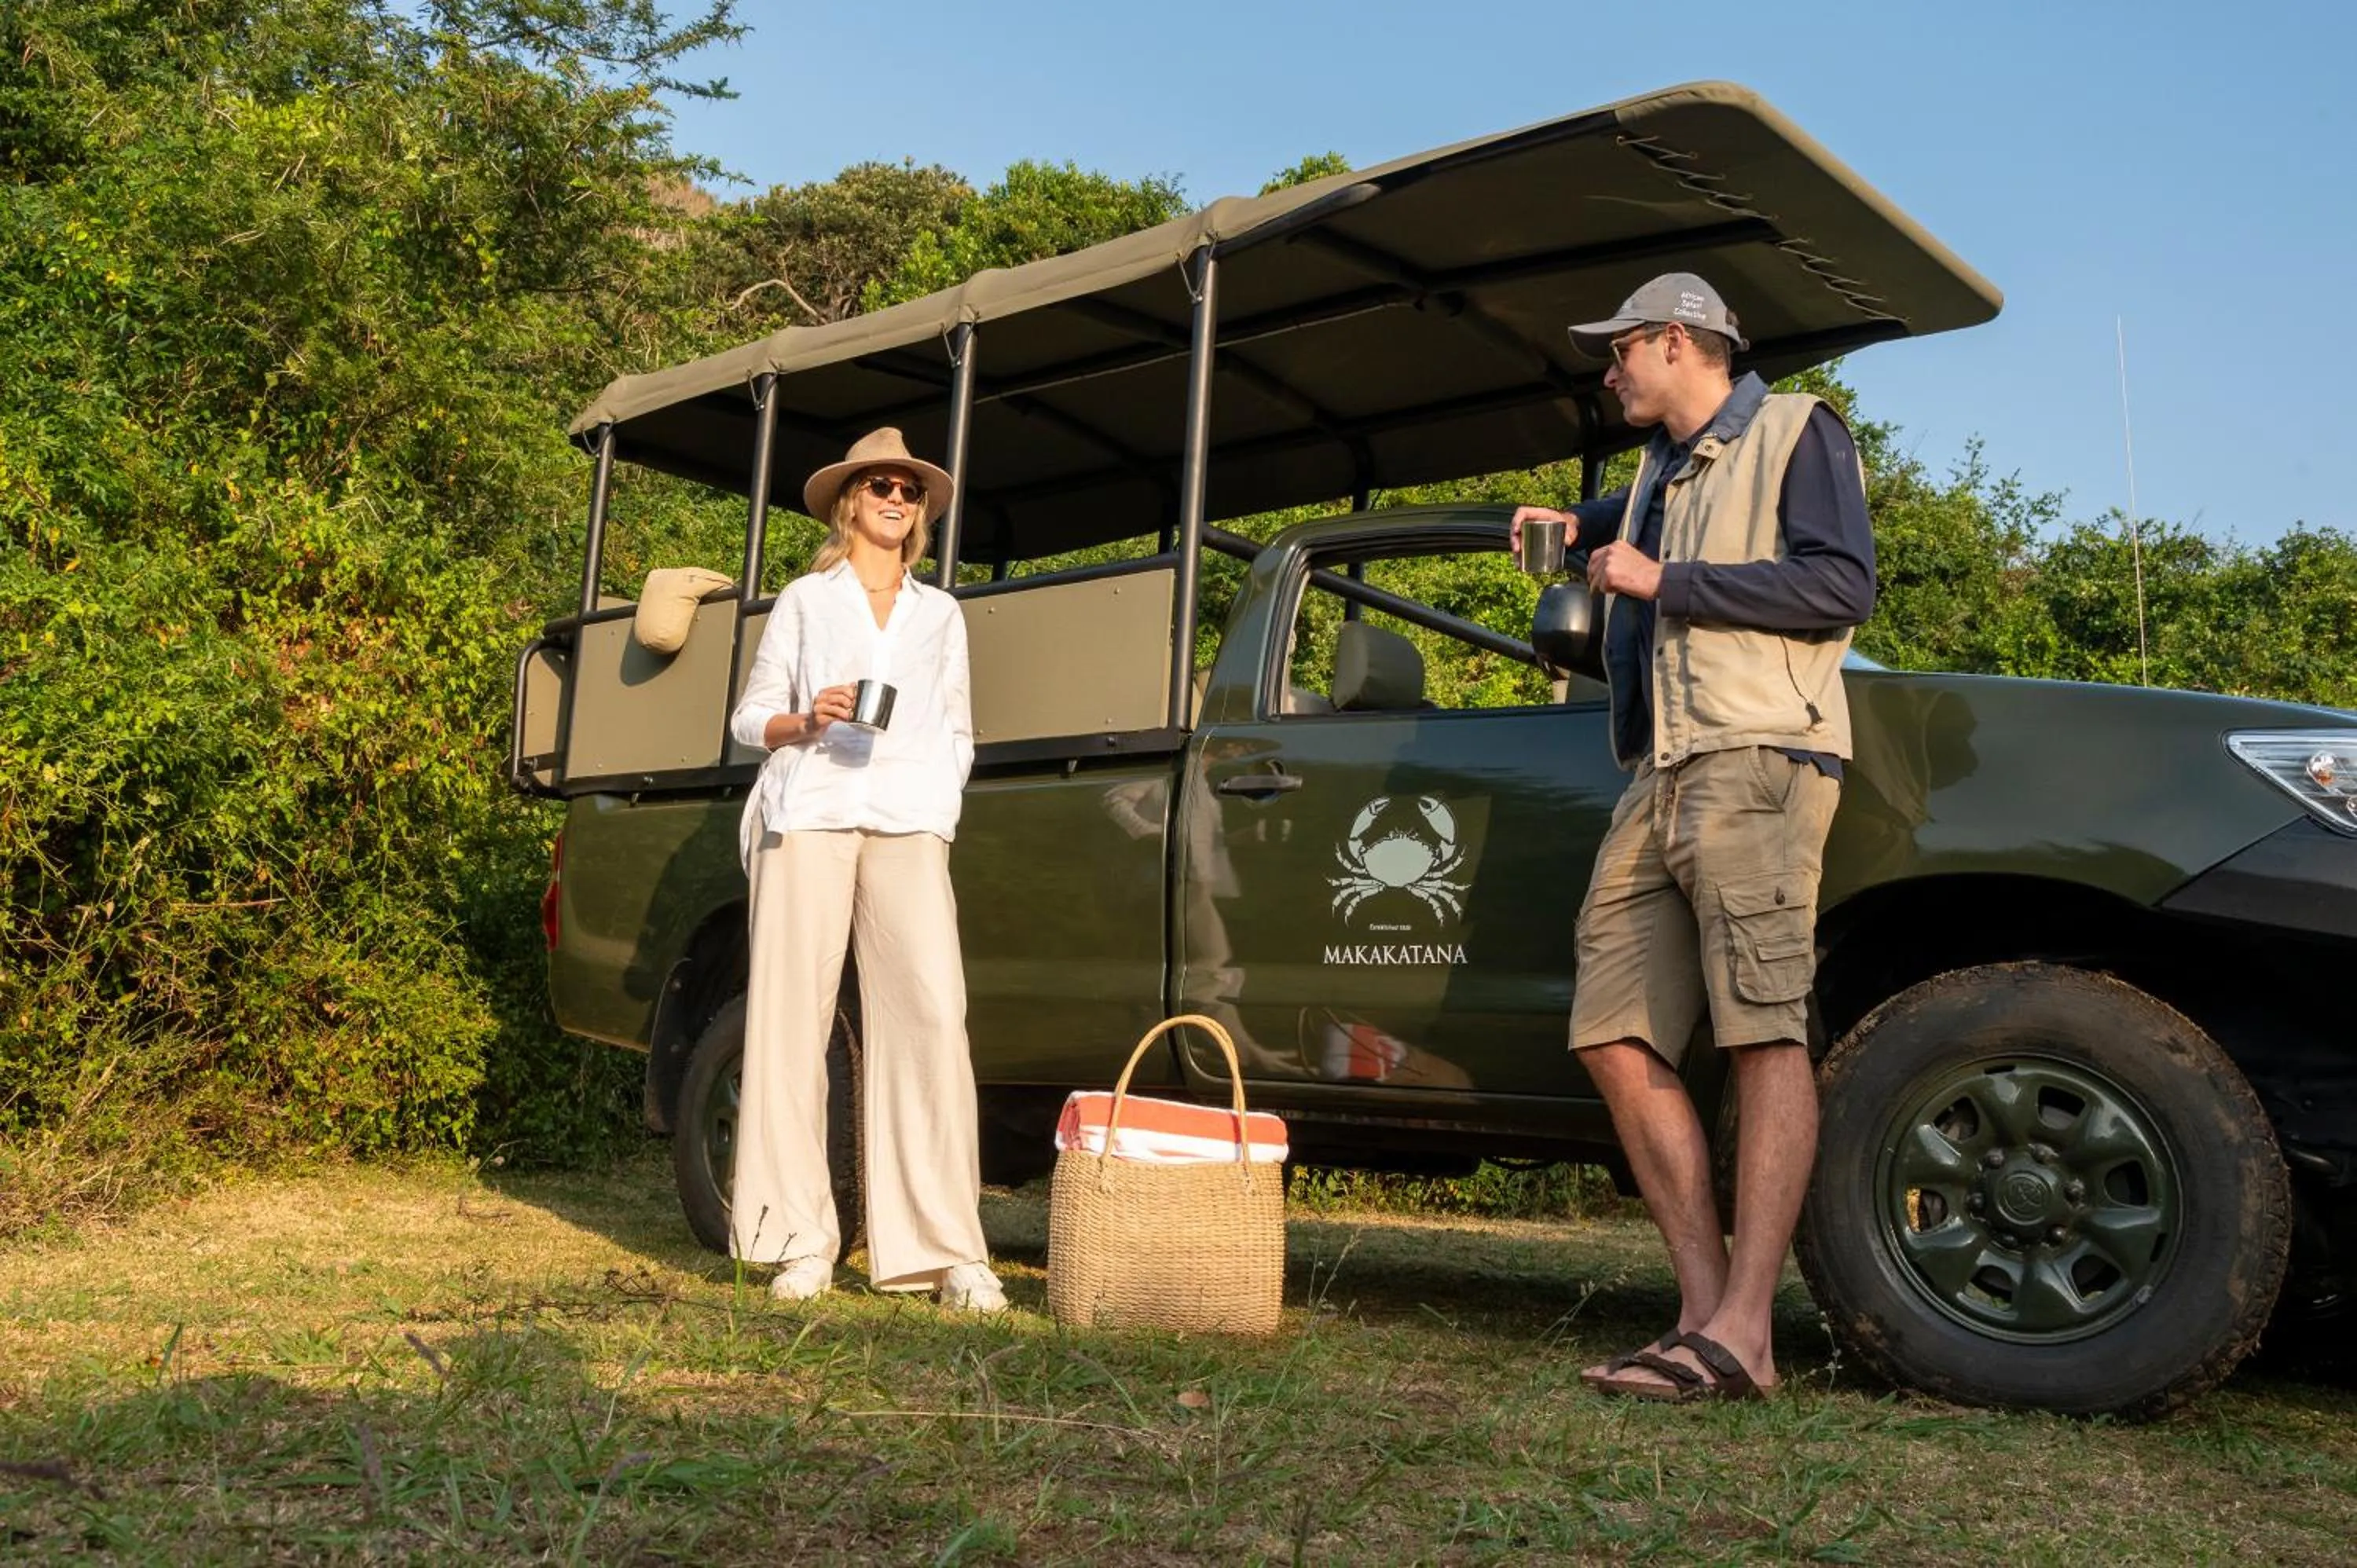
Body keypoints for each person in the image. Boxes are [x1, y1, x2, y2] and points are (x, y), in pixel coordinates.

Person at [1510, 273, 1875, 1400]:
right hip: (1658, 772)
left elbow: (1839, 583)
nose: (1608, 371)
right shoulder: (1659, 471)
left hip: (1758, 756)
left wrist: (1662, 579)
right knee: (1611, 1032)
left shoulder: (1794, 430)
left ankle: (1748, 1336)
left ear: (1679, 341)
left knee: (1763, 1033)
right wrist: (1581, 528)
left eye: (1619, 352)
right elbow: (1640, 525)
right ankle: (1706, 1317)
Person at [726, 427, 1006, 1312]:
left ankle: (947, 1249)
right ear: (851, 499)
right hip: (809, 808)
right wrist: (807, 720)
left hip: (907, 820)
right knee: (787, 1025)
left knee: (931, 1017)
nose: (897, 497)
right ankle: (795, 1241)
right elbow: (747, 719)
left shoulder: (942, 613)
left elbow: (957, 726)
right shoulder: (807, 602)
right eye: (881, 485)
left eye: (910, 490)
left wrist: (939, 802)